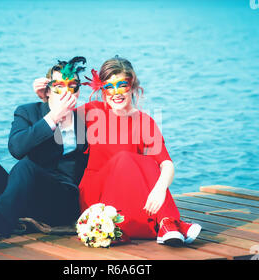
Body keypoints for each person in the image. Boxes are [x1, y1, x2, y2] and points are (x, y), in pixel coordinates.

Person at [0, 56, 88, 250]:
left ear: (79, 90)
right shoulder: (28, 111)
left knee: (25, 167)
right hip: (21, 189)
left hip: (58, 199)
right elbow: (16, 149)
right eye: (58, 86)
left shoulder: (87, 119)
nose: (66, 91)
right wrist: (53, 117)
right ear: (48, 91)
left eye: (72, 86)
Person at [77, 56, 202, 246]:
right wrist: (46, 94)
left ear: (132, 86)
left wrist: (160, 190)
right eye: (109, 86)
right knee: (127, 158)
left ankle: (167, 223)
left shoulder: (144, 122)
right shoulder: (90, 111)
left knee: (150, 162)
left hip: (125, 196)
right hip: (96, 197)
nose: (116, 93)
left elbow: (167, 164)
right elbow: (59, 117)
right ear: (102, 89)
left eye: (122, 85)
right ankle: (171, 223)